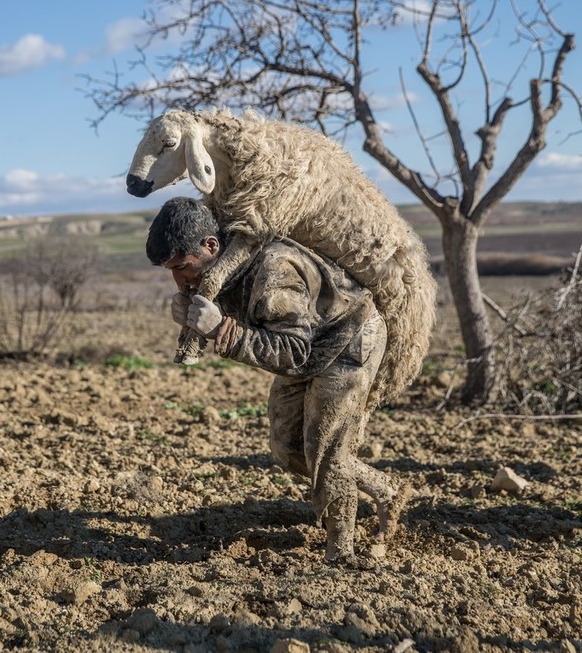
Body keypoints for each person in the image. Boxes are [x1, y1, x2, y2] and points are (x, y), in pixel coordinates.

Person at [146, 196, 406, 564]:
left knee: (326, 449)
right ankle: (386, 490)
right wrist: (197, 319)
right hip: (306, 344)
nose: (179, 279)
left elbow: (293, 353)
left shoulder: (274, 270)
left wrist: (222, 330)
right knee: (287, 446)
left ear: (211, 246)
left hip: (348, 338)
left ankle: (341, 553)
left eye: (182, 267)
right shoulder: (216, 272)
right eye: (170, 270)